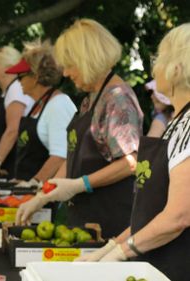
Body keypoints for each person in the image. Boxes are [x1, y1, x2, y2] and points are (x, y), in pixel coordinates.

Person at [75, 23, 190, 281]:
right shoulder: (177, 121)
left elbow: (178, 216)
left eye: (159, 58)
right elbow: (151, 211)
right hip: (155, 264)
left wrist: (122, 253)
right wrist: (112, 246)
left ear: (176, 68)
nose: (155, 66)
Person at [16, 19, 143, 239]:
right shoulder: (90, 99)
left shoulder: (117, 99)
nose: (65, 73)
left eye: (69, 65)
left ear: (87, 60)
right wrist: (43, 194)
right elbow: (73, 154)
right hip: (85, 219)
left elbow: (131, 162)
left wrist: (80, 184)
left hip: (110, 222)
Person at [6, 39, 76, 185]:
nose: (18, 82)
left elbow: (60, 156)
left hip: (47, 196)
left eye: (20, 77)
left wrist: (34, 182)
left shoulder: (58, 105)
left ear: (36, 77)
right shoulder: (38, 104)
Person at [0, 46, 35, 177]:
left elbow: (12, 131)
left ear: (7, 68)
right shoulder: (8, 92)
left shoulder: (16, 90)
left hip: (14, 165)